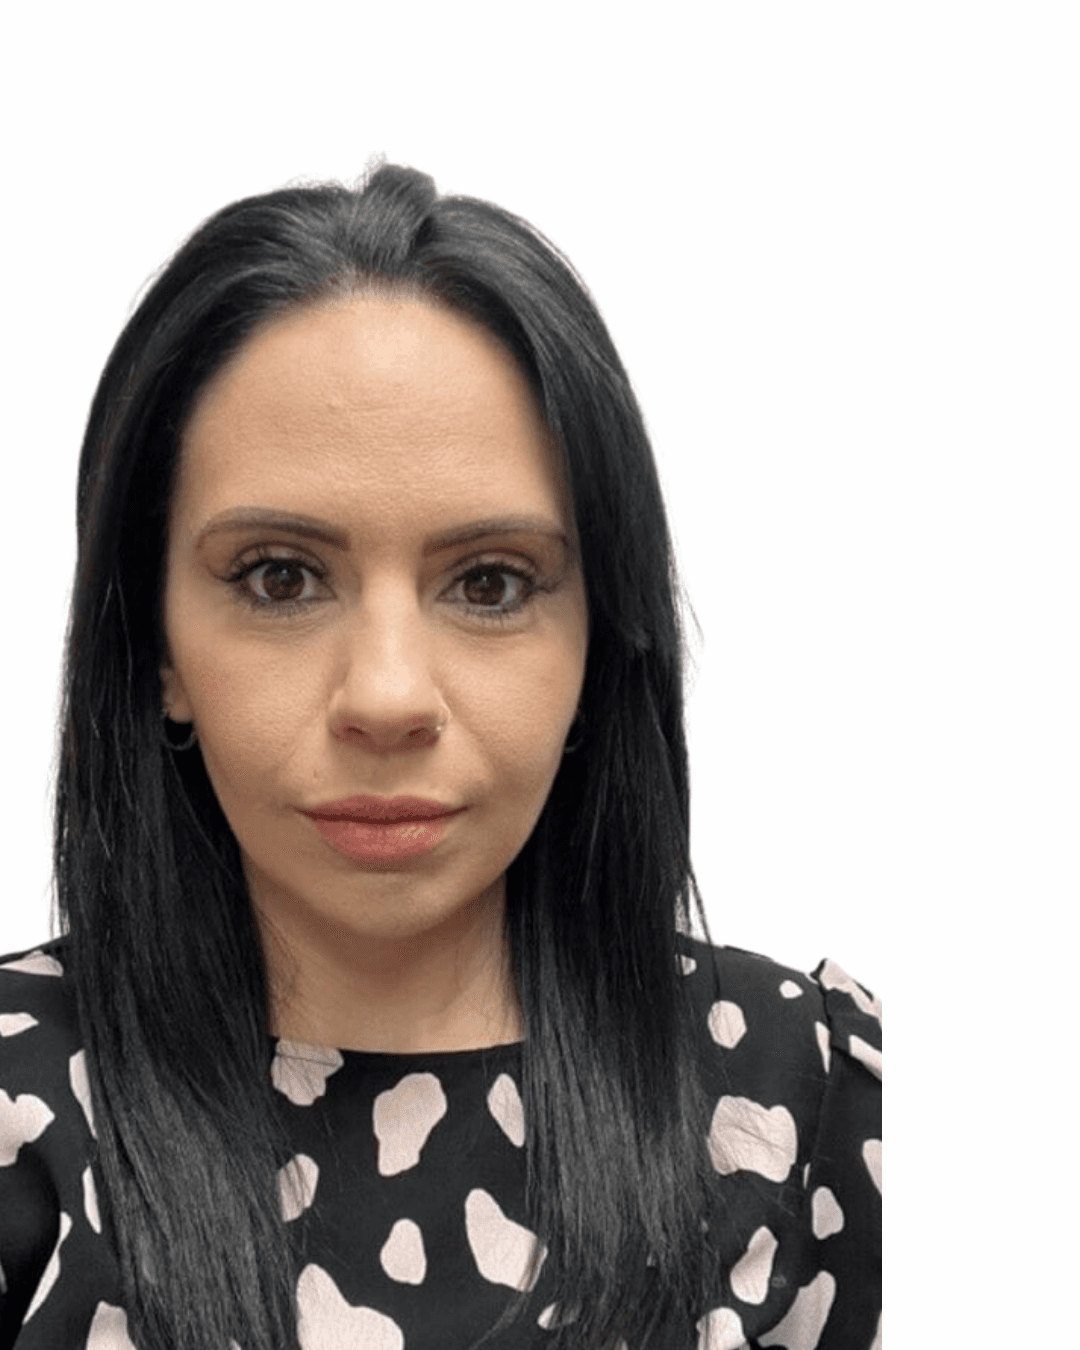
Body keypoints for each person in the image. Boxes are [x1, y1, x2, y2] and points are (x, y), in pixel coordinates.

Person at [0, 164, 881, 1350]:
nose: (387, 696)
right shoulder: (18, 1107)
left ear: (598, 643)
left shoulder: (802, 1092)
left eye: (489, 584)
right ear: (155, 642)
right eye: (279, 577)